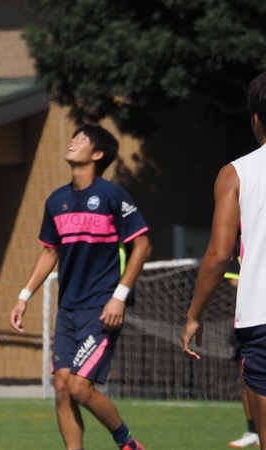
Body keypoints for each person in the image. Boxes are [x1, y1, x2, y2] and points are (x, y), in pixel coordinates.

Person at [10, 124, 151, 450]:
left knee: (78, 387)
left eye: (82, 139)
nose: (73, 141)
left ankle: (127, 443)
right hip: (68, 311)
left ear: (98, 154)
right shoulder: (56, 200)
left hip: (100, 309)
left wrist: (119, 297)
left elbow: (142, 246)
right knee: (62, 387)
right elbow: (50, 252)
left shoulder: (113, 196)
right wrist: (23, 297)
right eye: (74, 137)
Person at [182, 71, 266, 450]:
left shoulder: (236, 174)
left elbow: (219, 256)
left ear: (256, 118)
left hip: (261, 318)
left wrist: (193, 315)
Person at [225, 238, 260, 448]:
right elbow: (233, 280)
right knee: (246, 375)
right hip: (249, 319)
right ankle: (253, 430)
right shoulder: (241, 241)